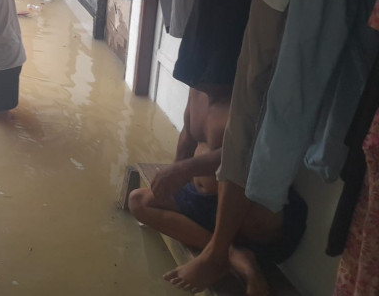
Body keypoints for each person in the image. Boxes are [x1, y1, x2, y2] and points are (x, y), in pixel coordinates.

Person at [128, 87, 307, 296]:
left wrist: (183, 169)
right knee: (138, 201)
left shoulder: (251, 93)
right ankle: (232, 254)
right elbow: (188, 136)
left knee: (240, 180)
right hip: (201, 200)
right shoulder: (197, 87)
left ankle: (222, 251)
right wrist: (171, 176)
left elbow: (248, 157)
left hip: (246, 206)